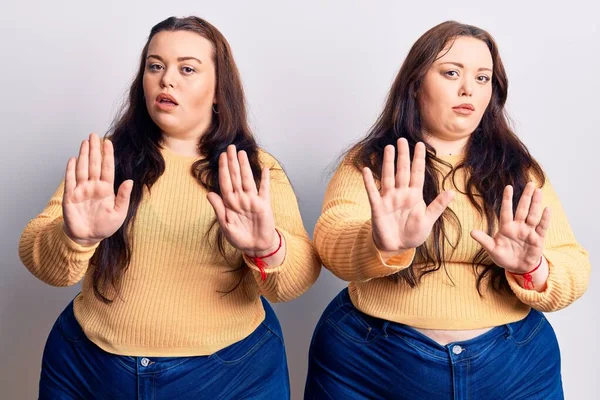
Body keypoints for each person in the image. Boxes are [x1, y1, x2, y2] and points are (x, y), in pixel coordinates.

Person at [19, 16, 320, 399]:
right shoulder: (105, 161)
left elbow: (296, 279)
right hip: (89, 368)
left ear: (217, 90)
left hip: (229, 376)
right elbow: (41, 261)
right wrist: (75, 237)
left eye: (187, 68)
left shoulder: (254, 170)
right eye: (155, 66)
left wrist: (268, 248)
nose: (166, 80)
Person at [305, 20, 590, 399]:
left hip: (512, 369)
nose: (468, 88)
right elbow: (330, 243)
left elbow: (572, 265)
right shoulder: (373, 161)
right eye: (451, 72)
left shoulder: (519, 169)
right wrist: (381, 243)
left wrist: (532, 270)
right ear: (415, 83)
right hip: (372, 362)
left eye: (483, 78)